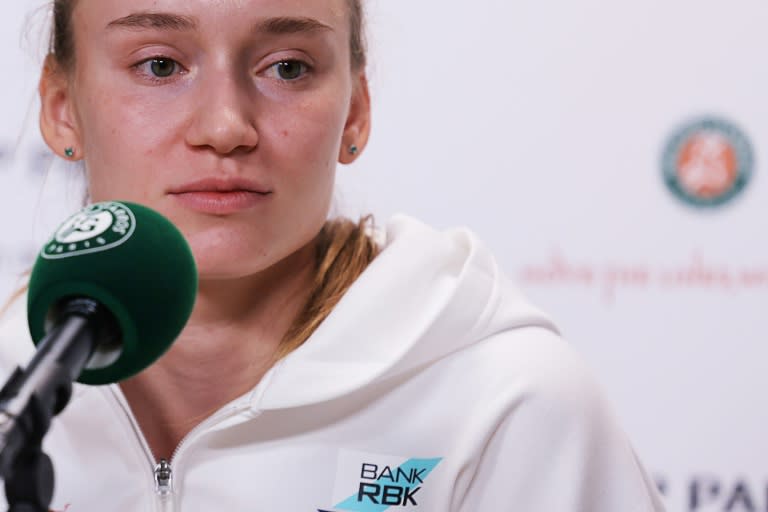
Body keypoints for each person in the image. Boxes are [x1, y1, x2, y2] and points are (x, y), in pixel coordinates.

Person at [0, 0, 666, 510]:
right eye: (160, 66)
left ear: (355, 112)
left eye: (287, 67)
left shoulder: (508, 402)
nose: (225, 126)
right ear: (62, 109)